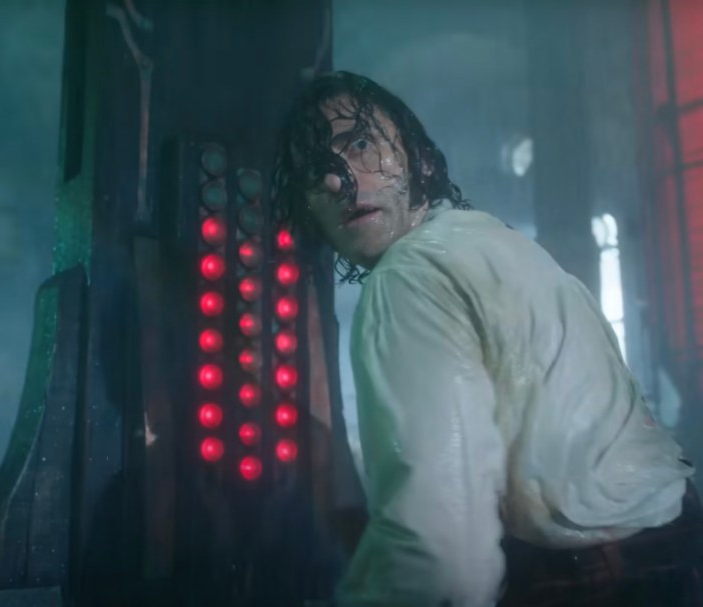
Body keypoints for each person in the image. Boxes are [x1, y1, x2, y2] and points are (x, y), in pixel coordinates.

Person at [272, 71, 702, 607]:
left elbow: (440, 554)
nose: (338, 181)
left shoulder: (408, 277)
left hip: (594, 577)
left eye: (359, 144)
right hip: (671, 543)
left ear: (421, 161)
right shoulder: (495, 242)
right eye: (316, 169)